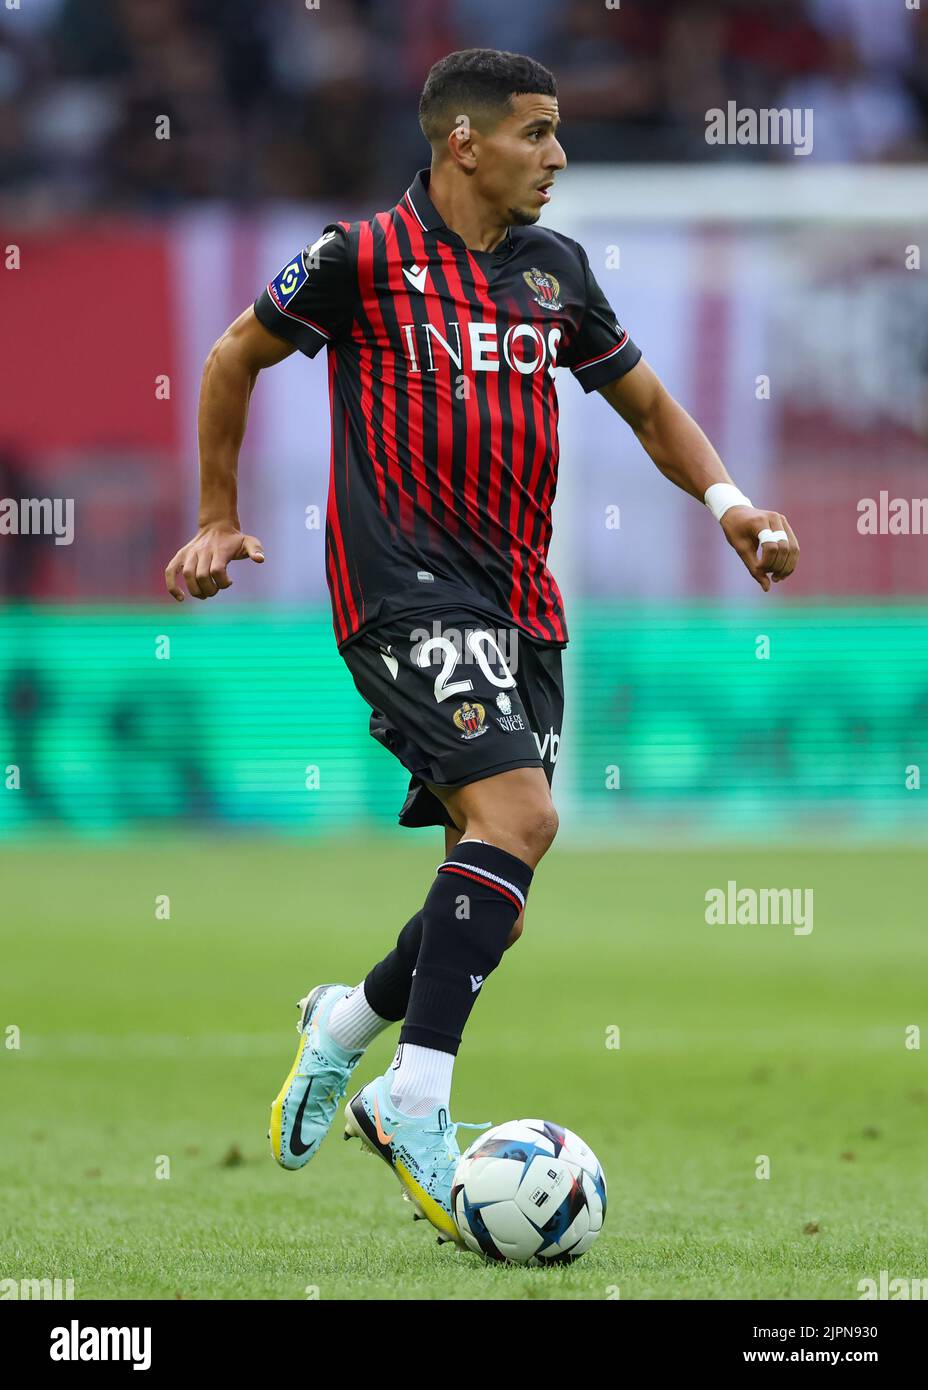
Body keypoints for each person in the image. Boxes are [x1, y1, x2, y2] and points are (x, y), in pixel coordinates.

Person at [164, 48, 799, 1248]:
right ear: (465, 141)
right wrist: (211, 515)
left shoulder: (553, 273)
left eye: (557, 135)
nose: (557, 156)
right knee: (525, 821)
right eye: (537, 133)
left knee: (492, 892)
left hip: (521, 601)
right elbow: (231, 354)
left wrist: (732, 508)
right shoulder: (359, 259)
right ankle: (414, 1100)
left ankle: (346, 1022)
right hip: (402, 591)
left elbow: (651, 408)